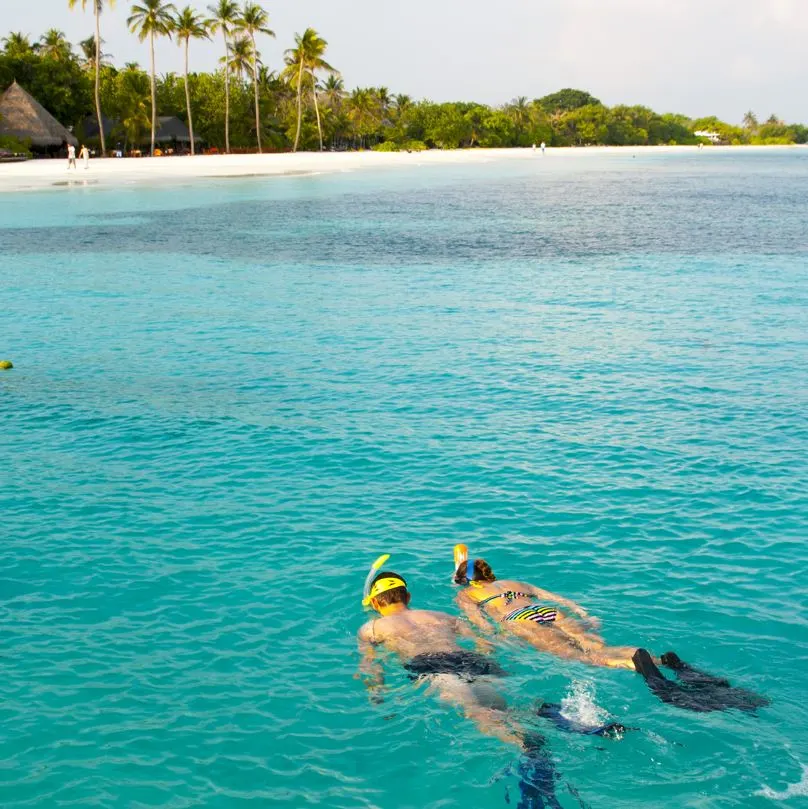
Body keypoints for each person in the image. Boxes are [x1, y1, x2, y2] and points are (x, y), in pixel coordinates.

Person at [451, 546, 768, 713]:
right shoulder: (516, 582)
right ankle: (658, 659)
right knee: (594, 645)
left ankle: (639, 665)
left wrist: (495, 639)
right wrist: (583, 614)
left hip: (520, 620)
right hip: (546, 611)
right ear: (489, 572)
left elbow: (479, 624)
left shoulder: (466, 594)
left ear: (468, 578)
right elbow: (559, 599)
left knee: (584, 658)